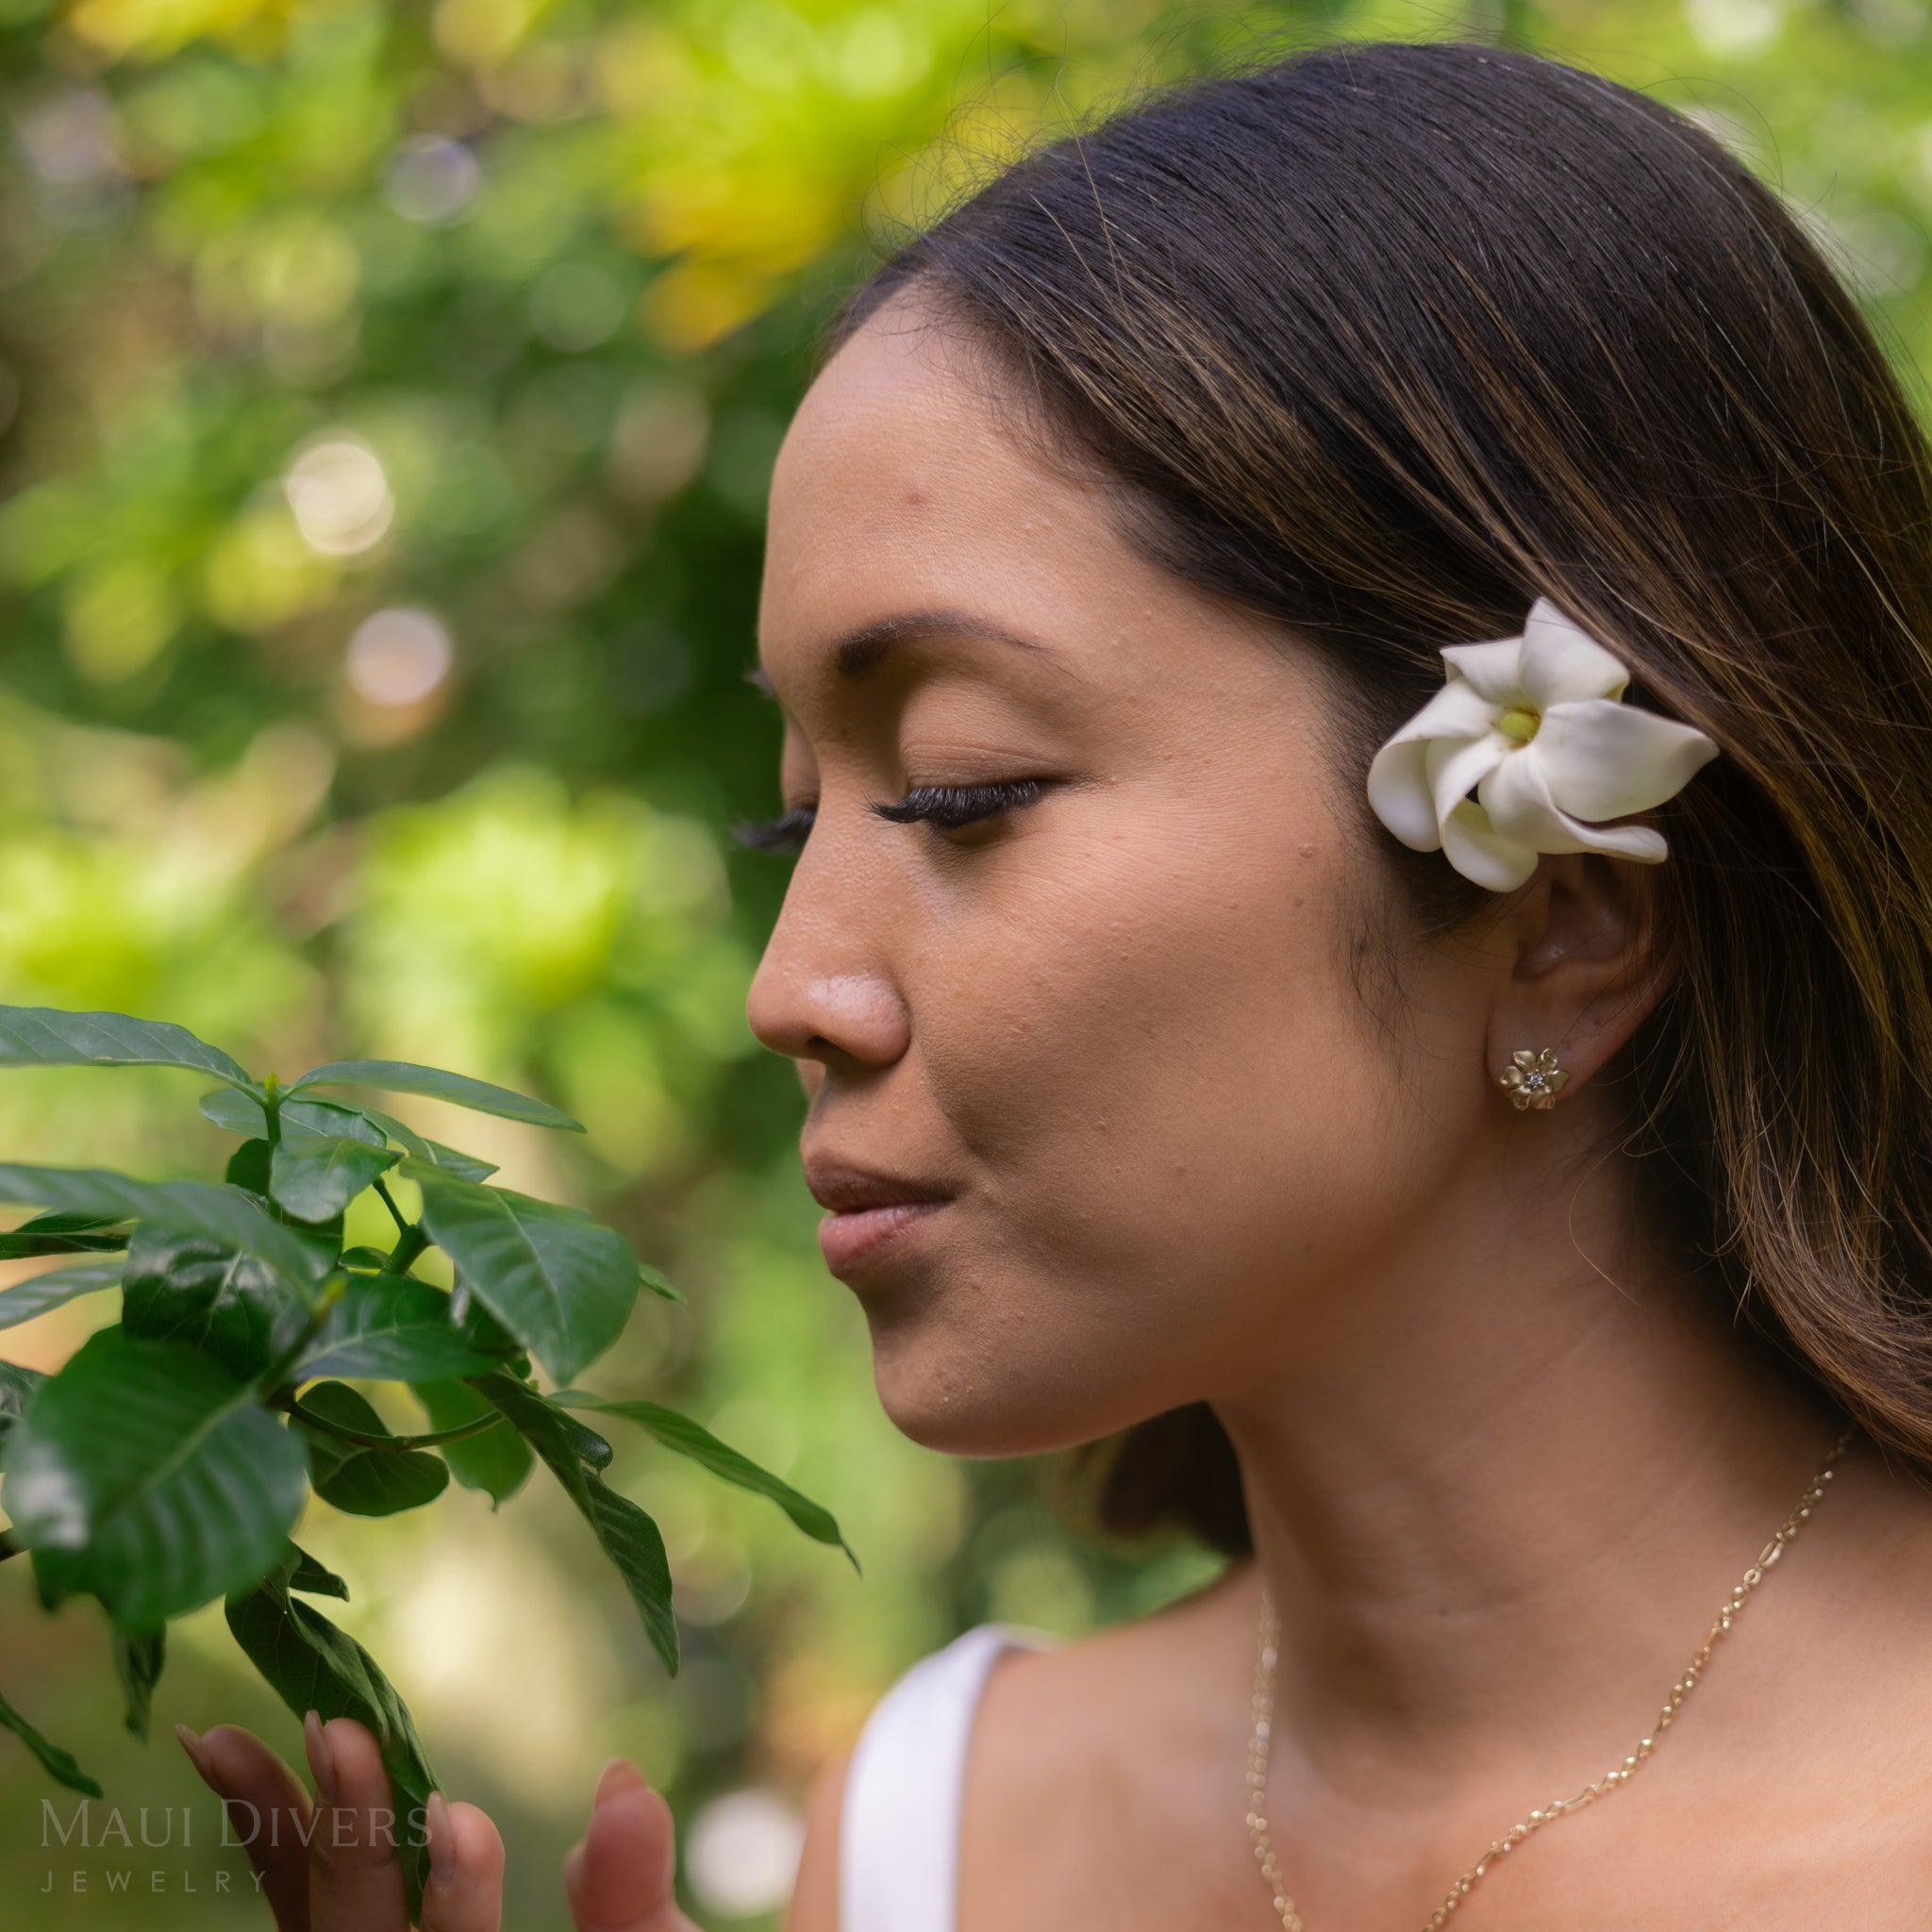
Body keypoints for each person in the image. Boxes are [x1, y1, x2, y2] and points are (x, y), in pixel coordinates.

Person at [179, 38, 1932, 1929]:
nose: (790, 990)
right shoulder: (937, 1831)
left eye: (963, 792)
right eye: (796, 827)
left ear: (1568, 906)